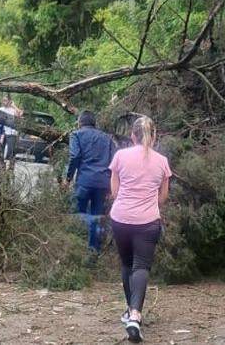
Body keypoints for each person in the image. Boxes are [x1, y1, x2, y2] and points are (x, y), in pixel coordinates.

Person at [107, 116, 171, 343]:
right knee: (141, 266)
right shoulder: (162, 161)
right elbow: (163, 197)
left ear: (132, 136)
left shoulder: (120, 156)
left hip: (121, 219)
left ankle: (129, 311)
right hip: (148, 222)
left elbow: (114, 191)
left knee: (126, 264)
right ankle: (135, 314)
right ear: (154, 136)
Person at [63, 110, 115, 259]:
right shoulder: (107, 138)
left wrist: (68, 178)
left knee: (78, 216)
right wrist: (111, 185)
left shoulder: (76, 135)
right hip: (102, 183)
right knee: (97, 217)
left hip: (84, 182)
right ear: (94, 123)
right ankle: (93, 254)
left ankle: (75, 251)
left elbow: (75, 156)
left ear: (80, 122)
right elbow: (113, 162)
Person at [0, 96, 23, 170]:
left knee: (10, 151)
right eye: (3, 100)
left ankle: (10, 168)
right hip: (1, 132)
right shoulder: (1, 109)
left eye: (5, 100)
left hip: (11, 133)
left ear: (9, 101)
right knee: (0, 149)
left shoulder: (13, 110)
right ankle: (1, 166)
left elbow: (20, 114)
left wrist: (14, 106)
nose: (4, 102)